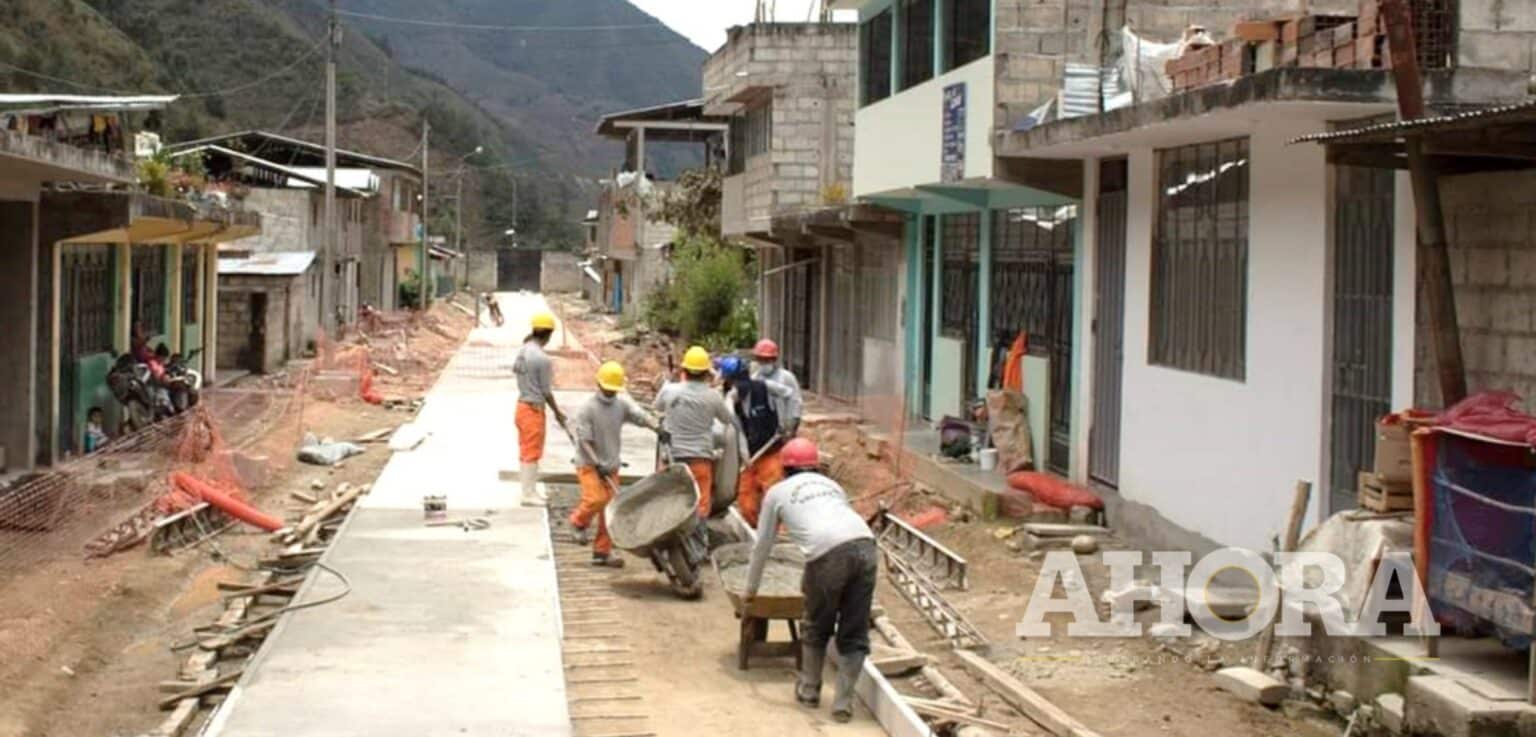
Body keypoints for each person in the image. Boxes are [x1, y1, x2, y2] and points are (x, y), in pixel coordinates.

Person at [743, 438, 875, 723]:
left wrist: (750, 590)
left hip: (827, 554)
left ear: (784, 468)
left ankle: (809, 690)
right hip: (866, 546)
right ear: (815, 466)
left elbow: (763, 545)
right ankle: (843, 704)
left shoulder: (777, 493)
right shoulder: (833, 486)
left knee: (816, 625)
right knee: (855, 632)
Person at [568, 361, 663, 568]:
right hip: (589, 464)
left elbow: (639, 416)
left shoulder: (621, 405)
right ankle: (577, 522)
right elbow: (584, 440)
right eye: (607, 388)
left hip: (610, 465)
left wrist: (657, 427)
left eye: (613, 389)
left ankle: (602, 552)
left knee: (610, 511)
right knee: (595, 499)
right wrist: (596, 462)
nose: (610, 392)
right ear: (599, 384)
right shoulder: (587, 409)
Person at [653, 346, 735, 518]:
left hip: (672, 458)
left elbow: (658, 407)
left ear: (684, 370)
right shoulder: (713, 396)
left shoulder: (670, 390)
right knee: (700, 507)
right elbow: (727, 420)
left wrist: (669, 383)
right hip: (700, 459)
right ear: (706, 373)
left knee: (666, 503)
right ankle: (698, 533)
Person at [718, 355, 792, 527]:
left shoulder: (763, 387)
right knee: (746, 502)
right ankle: (755, 531)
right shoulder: (730, 400)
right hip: (749, 458)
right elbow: (736, 428)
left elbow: (788, 394)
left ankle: (775, 533)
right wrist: (743, 453)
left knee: (773, 495)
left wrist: (786, 421)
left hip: (770, 451)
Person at [513, 311, 567, 507]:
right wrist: (558, 412)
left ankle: (530, 490)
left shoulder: (523, 350)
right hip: (533, 409)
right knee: (531, 453)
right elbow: (546, 391)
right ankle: (528, 494)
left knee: (526, 451)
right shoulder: (542, 359)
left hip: (521, 407)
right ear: (549, 334)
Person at [752, 339, 802, 436]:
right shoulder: (755, 378)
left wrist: (791, 425)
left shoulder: (786, 377)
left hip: (784, 428)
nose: (764, 363)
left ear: (774, 359)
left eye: (767, 360)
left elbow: (795, 402)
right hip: (763, 429)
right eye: (761, 359)